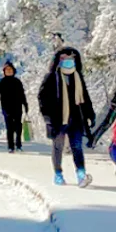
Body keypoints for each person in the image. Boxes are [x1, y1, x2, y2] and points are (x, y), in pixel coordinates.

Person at [38, 46, 95, 188]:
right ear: (58, 60)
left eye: (71, 58)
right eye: (64, 58)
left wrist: (90, 114)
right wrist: (48, 119)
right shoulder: (52, 77)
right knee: (58, 146)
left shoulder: (77, 76)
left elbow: (85, 97)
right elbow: (42, 99)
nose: (68, 61)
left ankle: (81, 174)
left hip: (76, 118)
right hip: (58, 119)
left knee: (77, 146)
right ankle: (58, 174)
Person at [0, 62, 28, 152]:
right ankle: (10, 146)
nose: (9, 71)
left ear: (13, 71)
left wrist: (25, 104)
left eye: (10, 69)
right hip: (6, 107)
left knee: (18, 126)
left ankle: (18, 144)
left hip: (17, 106)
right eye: (7, 70)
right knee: (10, 127)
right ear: (4, 71)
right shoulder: (1, 82)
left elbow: (22, 94)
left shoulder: (17, 81)